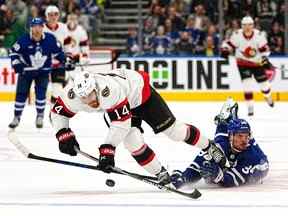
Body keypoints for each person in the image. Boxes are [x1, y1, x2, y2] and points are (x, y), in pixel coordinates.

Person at [50, 69, 227, 185]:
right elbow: (58, 113)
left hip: (141, 94)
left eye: (91, 95)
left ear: (95, 88)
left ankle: (208, 146)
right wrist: (63, 134)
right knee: (132, 142)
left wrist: (107, 150)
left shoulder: (108, 91)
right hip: (122, 104)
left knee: (175, 132)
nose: (90, 101)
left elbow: (122, 123)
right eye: (84, 98)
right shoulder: (71, 95)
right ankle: (161, 173)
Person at [170, 99, 269, 188]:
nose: (244, 140)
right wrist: (184, 178)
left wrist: (219, 177)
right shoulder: (221, 141)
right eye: (240, 136)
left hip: (257, 167)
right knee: (210, 153)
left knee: (214, 174)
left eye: (246, 136)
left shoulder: (252, 157)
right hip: (227, 134)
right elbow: (198, 164)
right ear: (230, 136)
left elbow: (232, 180)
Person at [8, 17, 65, 129]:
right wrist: (17, 64)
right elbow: (13, 52)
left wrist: (66, 61)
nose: (37, 29)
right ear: (31, 28)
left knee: (41, 95)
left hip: (42, 73)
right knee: (21, 94)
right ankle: (16, 117)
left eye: (39, 26)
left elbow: (58, 53)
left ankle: (40, 116)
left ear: (42, 27)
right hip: (26, 73)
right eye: (34, 26)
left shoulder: (50, 39)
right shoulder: (23, 40)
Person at [221, 16, 275, 116]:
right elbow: (228, 44)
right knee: (247, 84)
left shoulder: (259, 35)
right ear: (242, 26)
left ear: (253, 25)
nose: (247, 27)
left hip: (257, 63)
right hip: (243, 64)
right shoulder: (237, 35)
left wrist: (264, 58)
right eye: (245, 25)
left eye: (249, 25)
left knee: (264, 85)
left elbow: (265, 50)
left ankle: (267, 96)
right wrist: (225, 50)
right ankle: (250, 107)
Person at [43, 5, 71, 103]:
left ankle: (53, 113)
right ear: (46, 16)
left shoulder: (63, 27)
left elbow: (67, 45)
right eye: (50, 15)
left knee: (57, 90)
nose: (53, 17)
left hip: (59, 64)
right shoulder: (41, 28)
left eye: (55, 14)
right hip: (44, 64)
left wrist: (68, 58)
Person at [65, 13, 89, 79]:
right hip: (64, 60)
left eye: (74, 19)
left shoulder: (81, 31)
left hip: (76, 60)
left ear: (77, 20)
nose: (72, 21)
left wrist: (84, 59)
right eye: (70, 19)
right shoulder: (62, 29)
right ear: (67, 20)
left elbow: (85, 48)